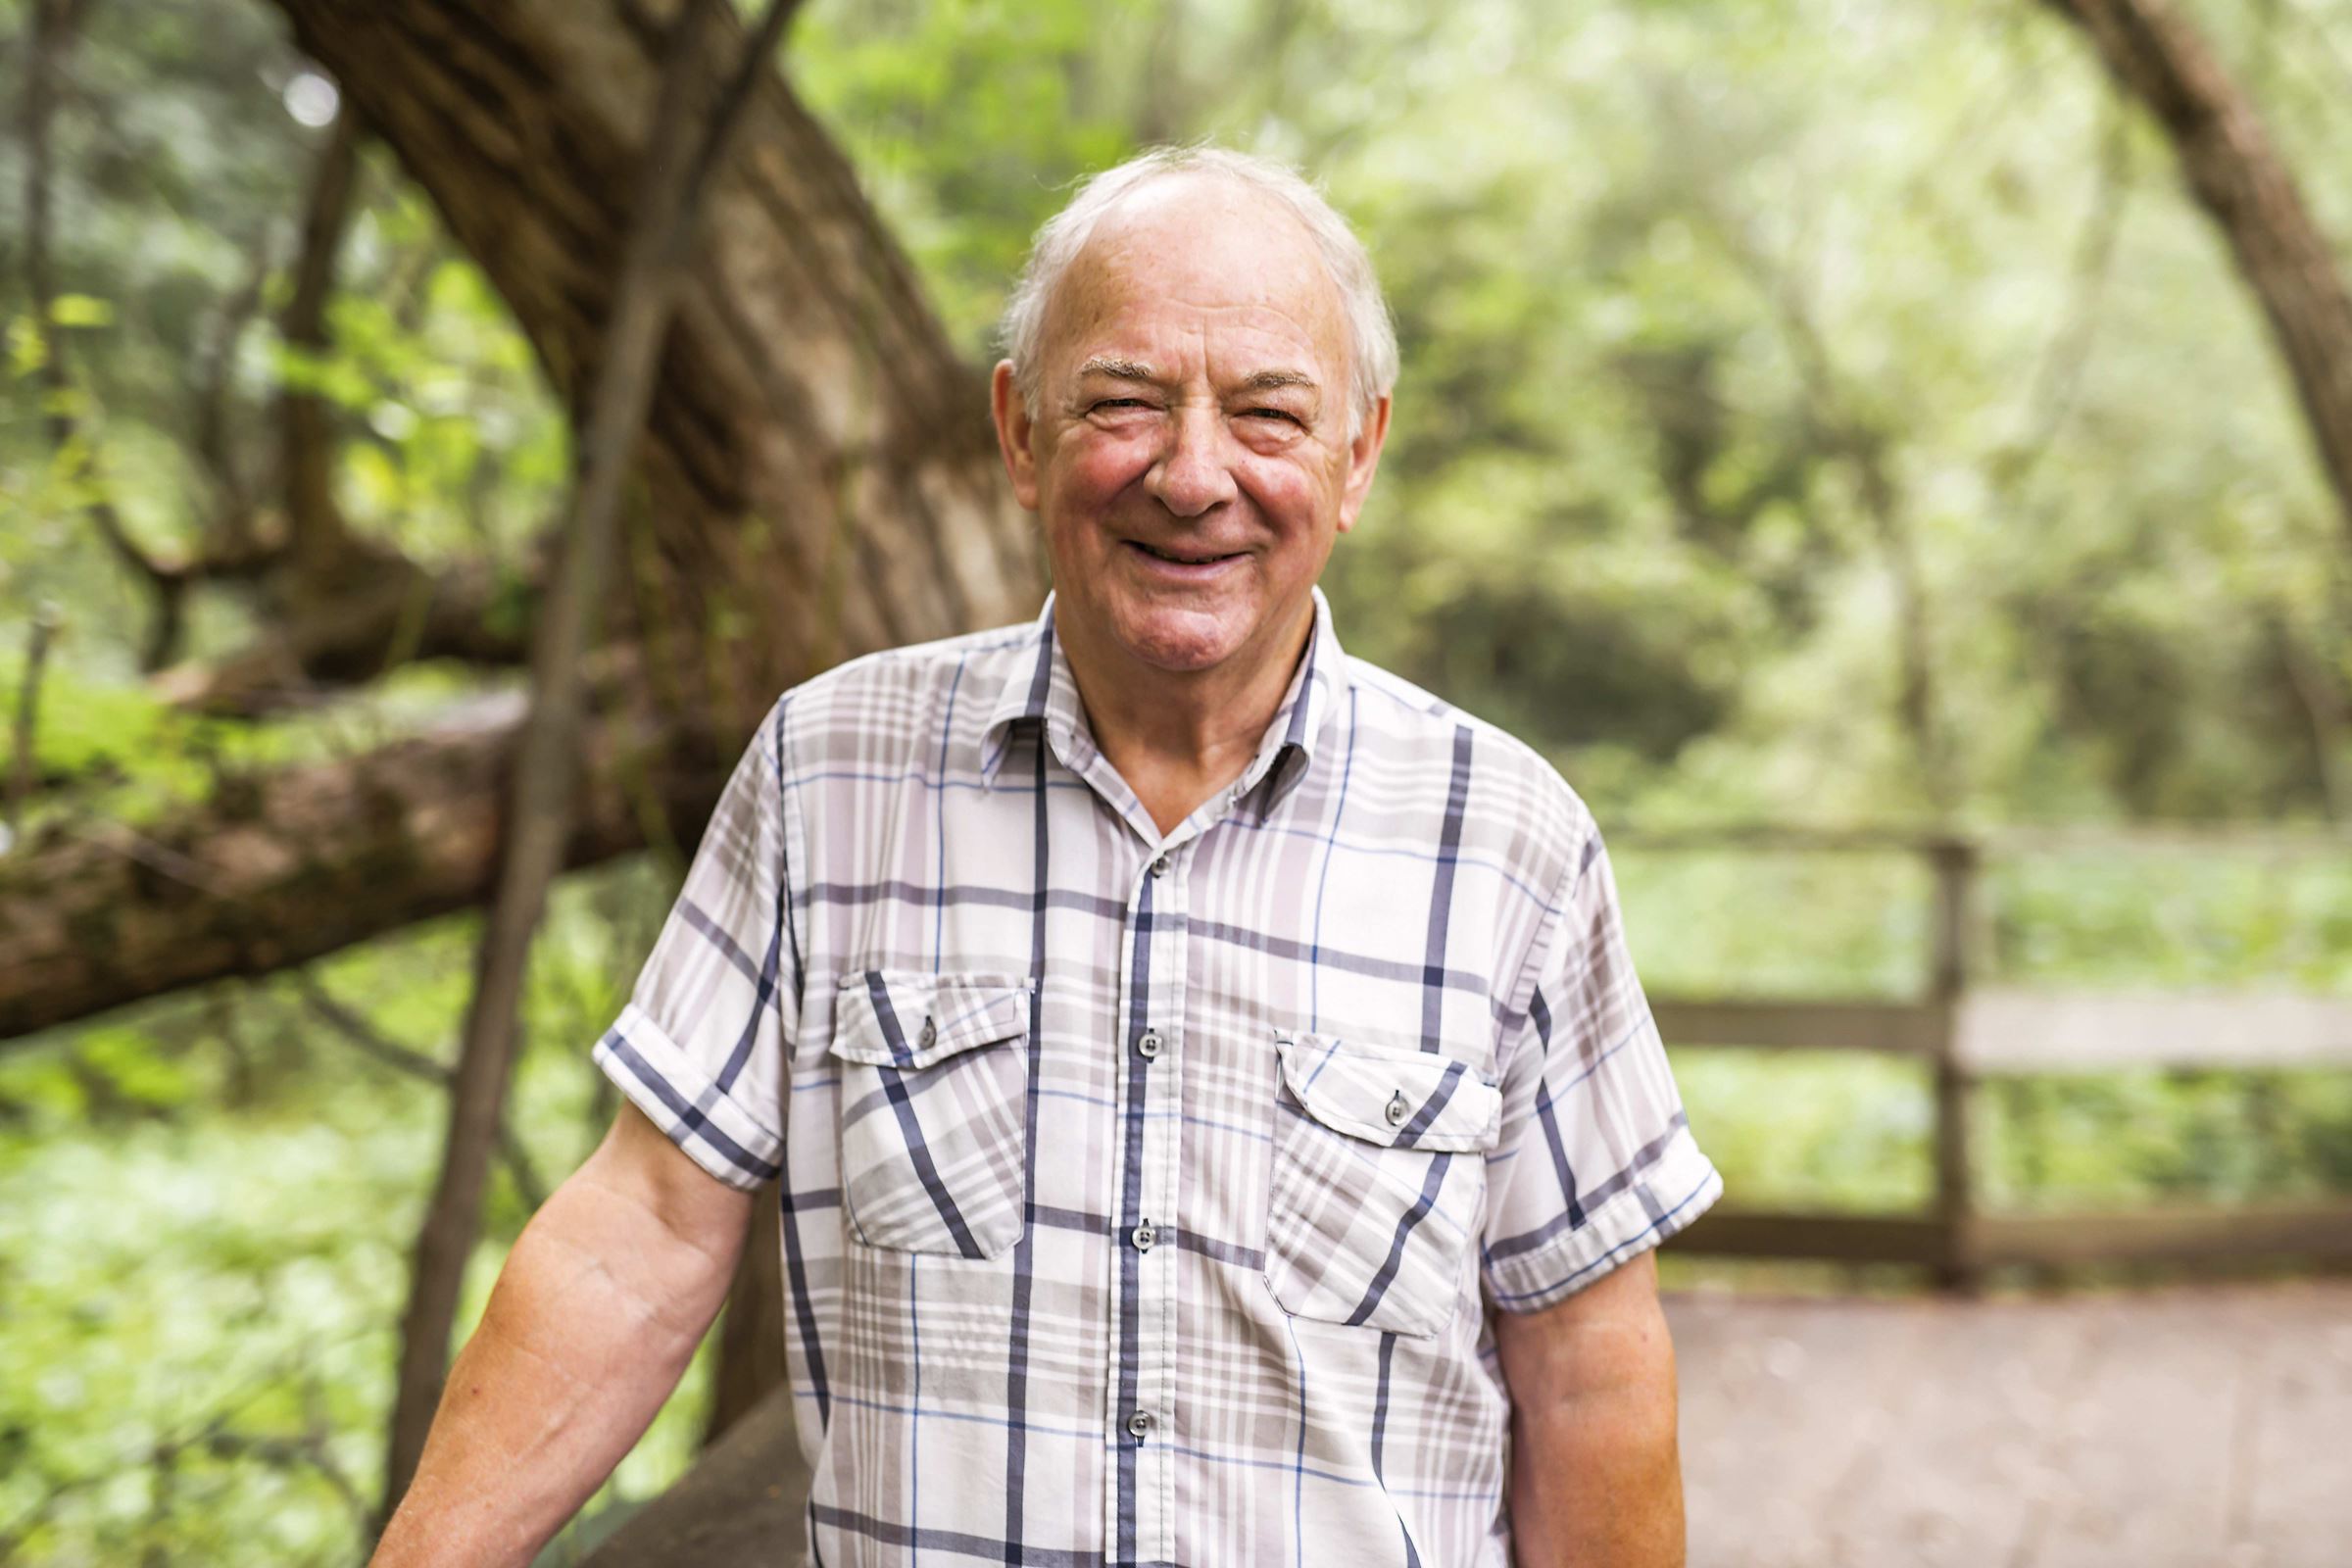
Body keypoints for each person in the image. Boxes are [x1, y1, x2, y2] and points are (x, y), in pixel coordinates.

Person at [371, 144, 1722, 1568]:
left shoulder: (1507, 841)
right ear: (1020, 433)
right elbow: (637, 1232)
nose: (1194, 476)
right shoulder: (831, 770)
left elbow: (1589, 1364)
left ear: (1357, 455)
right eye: (1124, 404)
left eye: (1268, 414)